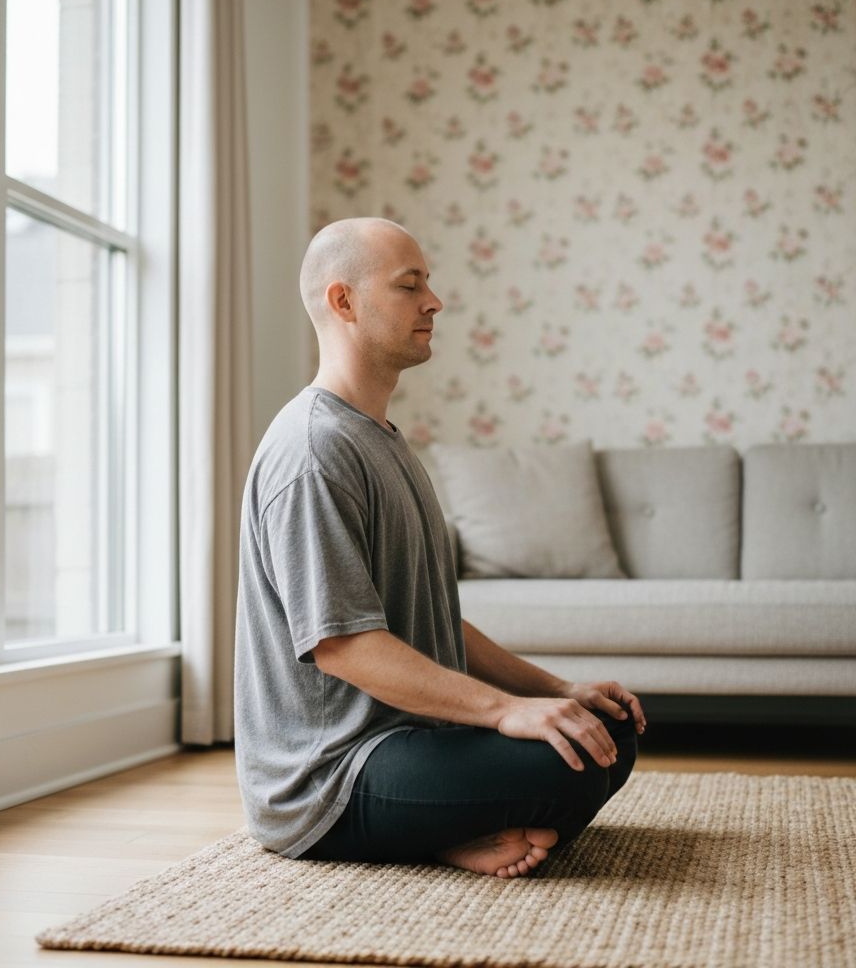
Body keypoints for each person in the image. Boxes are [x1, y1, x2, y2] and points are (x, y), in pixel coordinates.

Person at [234, 216, 646, 879]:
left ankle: (453, 827)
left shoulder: (381, 439)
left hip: (414, 740)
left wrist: (557, 689)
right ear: (344, 302)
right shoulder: (314, 451)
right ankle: (449, 828)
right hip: (332, 776)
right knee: (564, 766)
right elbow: (345, 646)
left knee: (604, 733)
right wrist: (507, 712)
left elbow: (430, 619)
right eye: (410, 285)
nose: (435, 301)